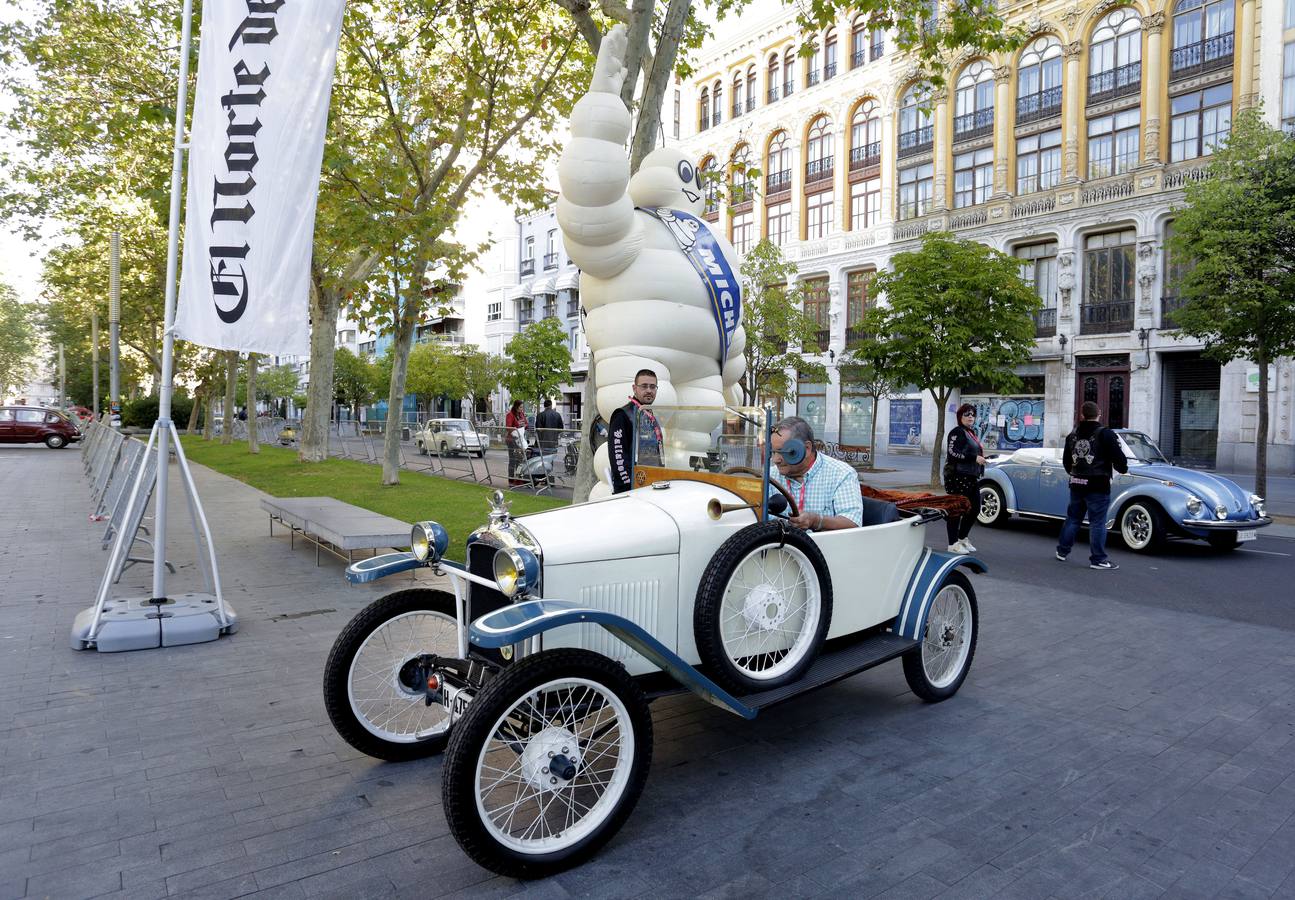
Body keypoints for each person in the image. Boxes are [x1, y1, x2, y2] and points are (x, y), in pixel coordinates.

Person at [1056, 400, 1129, 570]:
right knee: (1097, 522)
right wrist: (1122, 469)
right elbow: (1119, 459)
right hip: (1098, 484)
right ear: (1099, 414)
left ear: (1082, 415)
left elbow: (1067, 462)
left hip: (1076, 482)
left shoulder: (1072, 435)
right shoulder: (1106, 434)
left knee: (1073, 518)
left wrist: (1075, 473)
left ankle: (1062, 551)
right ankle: (1098, 559)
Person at [768, 416, 862, 531]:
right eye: (773, 452)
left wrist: (816, 521)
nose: (776, 460)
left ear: (806, 448)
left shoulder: (841, 474)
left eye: (784, 452)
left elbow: (852, 523)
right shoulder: (770, 476)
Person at [608, 369, 664, 493]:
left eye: (653, 386)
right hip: (631, 490)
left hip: (651, 485)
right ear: (634, 388)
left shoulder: (649, 414)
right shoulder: (622, 415)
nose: (649, 390)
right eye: (644, 386)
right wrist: (631, 487)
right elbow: (618, 458)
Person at [943, 403, 987, 554]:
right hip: (957, 476)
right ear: (960, 417)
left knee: (974, 509)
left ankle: (962, 538)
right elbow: (952, 453)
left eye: (973, 415)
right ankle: (953, 543)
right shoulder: (957, 432)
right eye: (967, 414)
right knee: (956, 510)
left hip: (970, 476)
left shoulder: (970, 432)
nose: (970, 417)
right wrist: (974, 458)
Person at [505, 399, 527, 486]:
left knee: (520, 460)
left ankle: (518, 479)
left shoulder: (521, 414)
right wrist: (516, 429)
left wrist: (524, 426)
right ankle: (511, 480)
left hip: (520, 440)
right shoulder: (510, 415)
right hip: (512, 440)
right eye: (520, 407)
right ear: (516, 407)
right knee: (513, 460)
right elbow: (508, 427)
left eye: (522, 407)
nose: (522, 409)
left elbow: (526, 423)